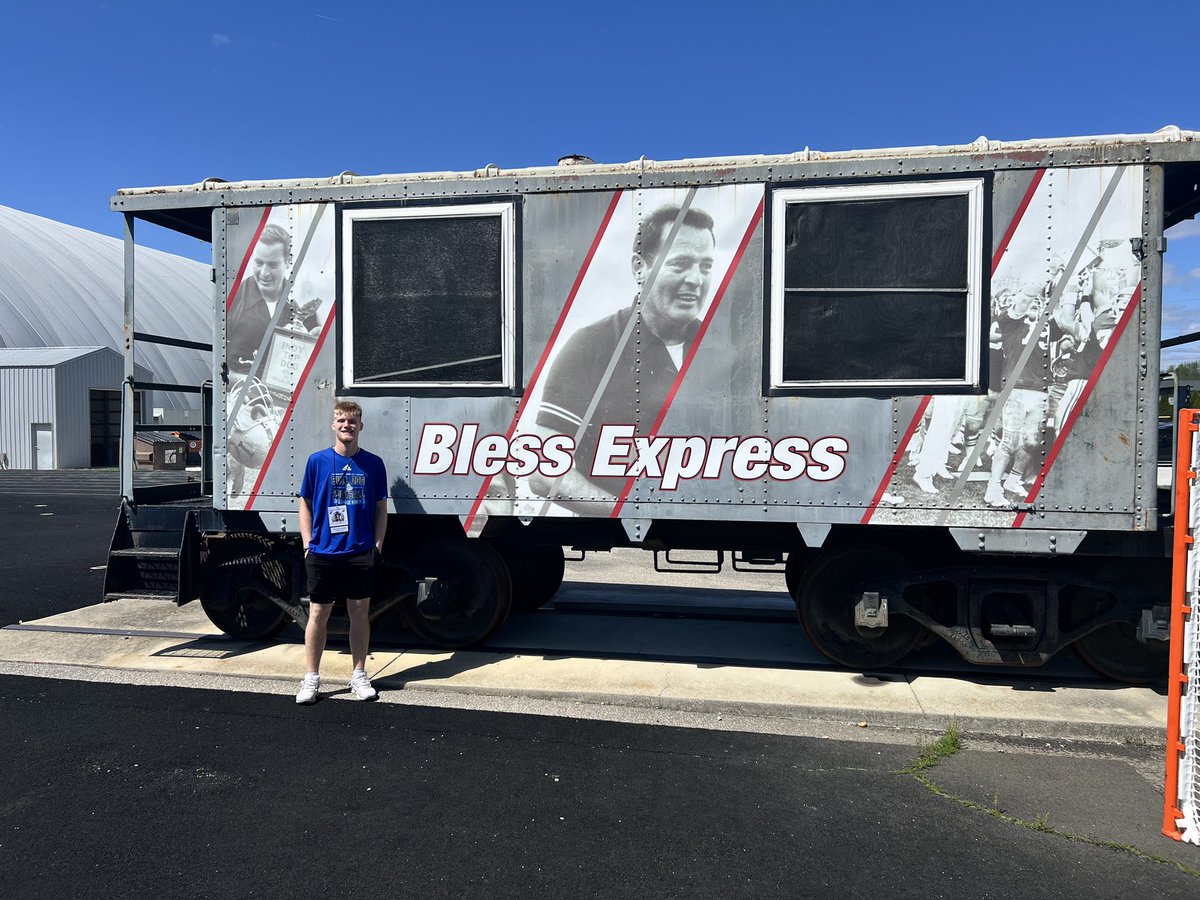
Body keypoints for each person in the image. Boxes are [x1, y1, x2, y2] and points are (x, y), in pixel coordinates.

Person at [532, 204, 715, 506]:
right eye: (680, 264)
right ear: (639, 268)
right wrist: (626, 513)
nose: (695, 280)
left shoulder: (728, 350)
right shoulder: (590, 347)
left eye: (705, 266)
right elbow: (544, 472)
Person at [296, 400, 388, 704]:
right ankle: (311, 678)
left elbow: (380, 508)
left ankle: (359, 676)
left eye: (352, 421)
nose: (347, 425)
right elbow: (305, 504)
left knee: (360, 613)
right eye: (342, 421)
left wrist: (376, 545)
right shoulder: (317, 461)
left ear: (360, 426)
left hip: (360, 552)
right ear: (333, 426)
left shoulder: (373, 464)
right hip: (323, 551)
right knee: (318, 613)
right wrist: (308, 543)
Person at [227, 224, 319, 375]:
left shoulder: (303, 307)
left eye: (273, 265)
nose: (264, 273)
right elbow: (219, 365)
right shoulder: (233, 301)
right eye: (258, 263)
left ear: (288, 261)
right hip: (243, 395)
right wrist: (238, 382)